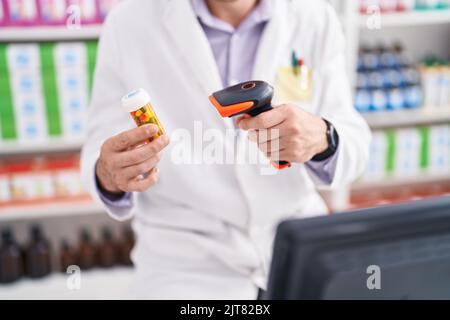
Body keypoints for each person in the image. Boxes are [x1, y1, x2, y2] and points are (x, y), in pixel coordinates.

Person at [81, 0, 371, 299]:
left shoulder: (313, 16)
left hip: (295, 242)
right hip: (185, 263)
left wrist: (324, 138)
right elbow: (99, 152)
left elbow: (355, 143)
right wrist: (110, 174)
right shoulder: (130, 22)